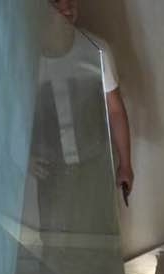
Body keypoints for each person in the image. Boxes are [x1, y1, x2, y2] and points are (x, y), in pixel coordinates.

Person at [49, 0, 134, 196]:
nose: (67, 7)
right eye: (57, 0)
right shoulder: (29, 56)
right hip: (52, 173)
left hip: (94, 166)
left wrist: (125, 164)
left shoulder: (97, 51)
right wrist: (24, 160)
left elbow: (115, 110)